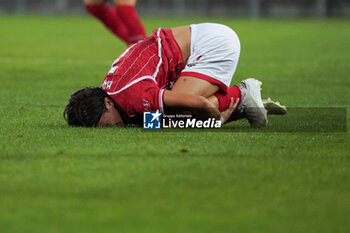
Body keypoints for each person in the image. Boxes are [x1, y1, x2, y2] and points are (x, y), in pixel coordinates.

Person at [64, 23, 284, 128]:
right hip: (201, 39)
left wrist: (215, 121)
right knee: (151, 121)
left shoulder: (135, 96)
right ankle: (246, 105)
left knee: (173, 118)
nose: (108, 130)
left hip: (213, 45)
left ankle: (243, 94)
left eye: (105, 125)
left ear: (108, 103)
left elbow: (198, 103)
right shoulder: (113, 91)